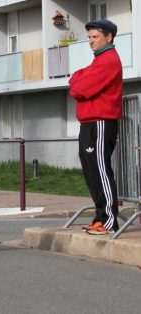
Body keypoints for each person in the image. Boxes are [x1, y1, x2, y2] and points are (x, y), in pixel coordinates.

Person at [68, 20, 123, 235]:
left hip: (101, 122)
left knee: (100, 170)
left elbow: (80, 89)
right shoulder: (98, 61)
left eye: (95, 37)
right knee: (91, 172)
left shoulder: (109, 60)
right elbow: (76, 79)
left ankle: (109, 221)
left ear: (108, 37)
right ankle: (100, 217)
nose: (90, 41)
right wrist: (78, 80)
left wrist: (78, 82)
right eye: (89, 37)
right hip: (89, 123)